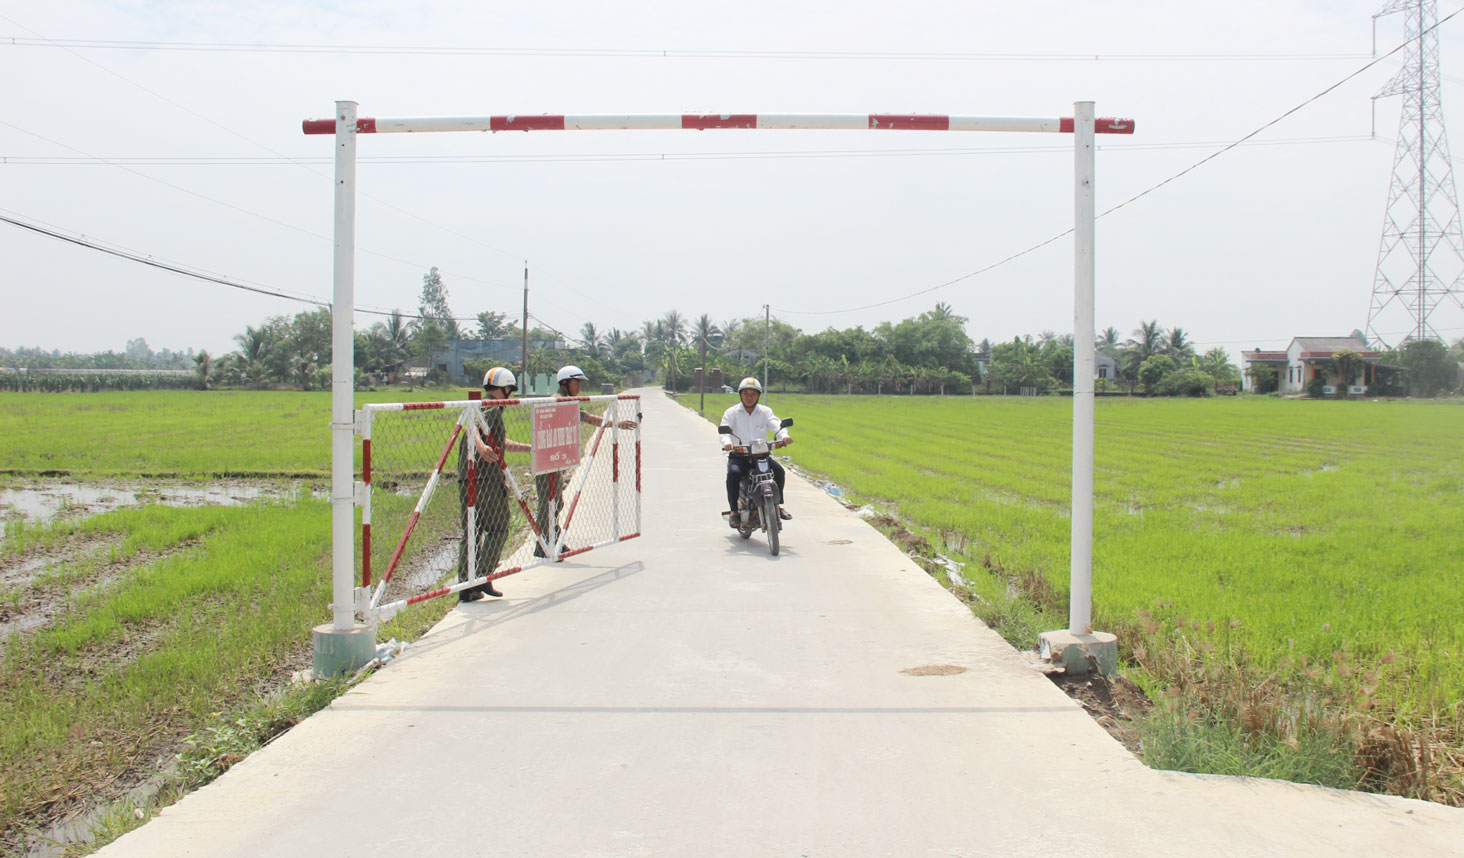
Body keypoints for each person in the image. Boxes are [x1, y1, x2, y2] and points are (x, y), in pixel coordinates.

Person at [533, 365, 638, 557]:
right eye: (576, 383)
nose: (579, 387)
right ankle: (544, 544)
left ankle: (552, 541)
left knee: (556, 503)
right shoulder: (554, 402)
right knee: (547, 503)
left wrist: (617, 424)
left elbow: (588, 418)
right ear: (564, 383)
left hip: (556, 461)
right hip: (546, 461)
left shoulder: (569, 402)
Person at [456, 367, 530, 601]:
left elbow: (495, 439)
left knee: (472, 529)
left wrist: (527, 448)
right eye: (510, 390)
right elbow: (473, 428)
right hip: (486, 478)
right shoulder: (490, 408)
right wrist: (480, 446)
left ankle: (467, 586)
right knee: (499, 526)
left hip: (468, 476)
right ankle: (482, 575)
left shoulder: (483, 406)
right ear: (506, 388)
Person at [719, 376, 793, 528]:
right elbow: (724, 430)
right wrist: (727, 443)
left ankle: (778, 506)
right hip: (740, 456)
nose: (749, 397)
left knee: (779, 471)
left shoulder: (765, 412)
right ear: (741, 394)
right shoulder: (732, 412)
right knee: (733, 474)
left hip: (761, 456)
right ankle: (734, 511)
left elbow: (775, 424)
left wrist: (784, 436)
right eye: (746, 393)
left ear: (758, 395)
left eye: (753, 394)